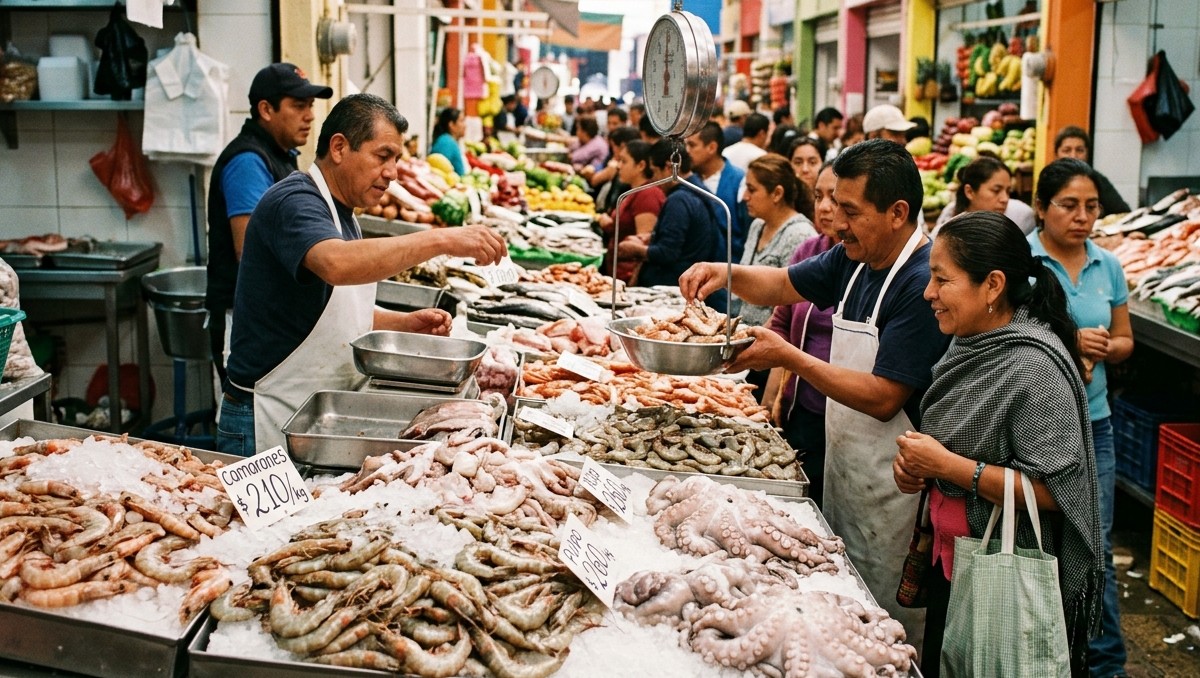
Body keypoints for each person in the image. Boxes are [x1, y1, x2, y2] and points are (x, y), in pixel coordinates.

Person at [680, 139, 951, 648]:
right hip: (845, 472)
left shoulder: (920, 282)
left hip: (895, 492)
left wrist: (790, 357)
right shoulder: (854, 259)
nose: (836, 221)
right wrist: (725, 274)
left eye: (850, 210)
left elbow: (883, 396)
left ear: (897, 213)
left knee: (882, 633)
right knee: (835, 612)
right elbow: (782, 284)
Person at [218, 94, 508, 457]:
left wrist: (401, 323)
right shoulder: (294, 201)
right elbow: (336, 264)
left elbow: (327, 313)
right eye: (382, 156)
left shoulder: (344, 215)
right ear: (339, 147)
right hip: (264, 418)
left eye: (397, 159)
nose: (392, 172)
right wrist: (443, 238)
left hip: (316, 417)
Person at [893, 210, 1104, 677]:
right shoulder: (970, 342)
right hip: (953, 565)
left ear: (992, 285)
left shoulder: (1033, 370)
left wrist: (949, 467)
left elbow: (1054, 492)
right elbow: (954, 452)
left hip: (1002, 578)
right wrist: (920, 469)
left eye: (942, 280)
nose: (929, 293)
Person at [1030, 158, 1133, 678]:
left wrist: (1106, 346)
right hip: (1038, 423)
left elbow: (1125, 340)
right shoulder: (1023, 258)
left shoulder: (1107, 265)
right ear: (1042, 207)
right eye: (1069, 205)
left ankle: (1105, 661)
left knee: (1097, 540)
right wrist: (1068, 341)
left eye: (1091, 207)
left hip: (1096, 423)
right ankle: (1048, 651)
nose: (1083, 217)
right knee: (1042, 540)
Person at [205, 63, 333, 391]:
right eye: (298, 106)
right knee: (246, 422)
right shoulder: (248, 161)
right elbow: (247, 248)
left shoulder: (281, 156)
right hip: (245, 324)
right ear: (266, 109)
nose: (309, 116)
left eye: (311, 107)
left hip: (268, 323)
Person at [764, 162, 839, 506]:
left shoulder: (870, 264)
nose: (824, 207)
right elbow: (780, 323)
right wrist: (772, 397)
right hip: (801, 407)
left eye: (836, 199)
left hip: (843, 415)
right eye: (818, 196)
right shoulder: (809, 250)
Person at [622, 140, 727, 311]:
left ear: (669, 167)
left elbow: (668, 252)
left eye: (655, 172)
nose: (654, 180)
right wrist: (652, 237)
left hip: (673, 290)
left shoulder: (679, 200)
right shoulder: (699, 189)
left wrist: (636, 250)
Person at [734, 155, 817, 327]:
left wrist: (756, 340)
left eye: (752, 189)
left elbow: (790, 307)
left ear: (777, 193)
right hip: (746, 331)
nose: (745, 197)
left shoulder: (800, 235)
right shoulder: (757, 226)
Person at [597, 140, 665, 284]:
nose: (619, 166)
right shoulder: (633, 191)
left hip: (628, 280)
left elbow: (643, 242)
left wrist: (633, 282)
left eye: (624, 161)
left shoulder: (648, 194)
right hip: (617, 274)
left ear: (641, 165)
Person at [685, 121, 749, 260]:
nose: (687, 151)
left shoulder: (739, 181)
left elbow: (746, 231)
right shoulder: (686, 181)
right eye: (686, 145)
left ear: (712, 147)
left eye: (692, 145)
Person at [933, 156, 1036, 234]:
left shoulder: (1021, 217)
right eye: (996, 190)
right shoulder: (947, 227)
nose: (1005, 199)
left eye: (1008, 191)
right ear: (970, 192)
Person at [1053, 126, 1132, 216]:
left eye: (1079, 150)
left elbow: (1123, 213)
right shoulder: (1049, 180)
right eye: (1067, 150)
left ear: (1087, 153)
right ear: (1056, 154)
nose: (1073, 155)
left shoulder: (1097, 180)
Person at [428, 107, 467, 175]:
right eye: (461, 121)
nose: (465, 125)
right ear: (451, 125)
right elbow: (440, 173)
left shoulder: (449, 141)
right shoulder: (446, 143)